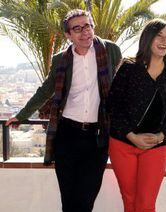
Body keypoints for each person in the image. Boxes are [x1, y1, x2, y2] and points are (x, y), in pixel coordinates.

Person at [5, 9, 122, 212]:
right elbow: (46, 90)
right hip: (67, 135)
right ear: (68, 35)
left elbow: (122, 86)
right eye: (77, 28)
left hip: (97, 137)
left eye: (88, 25)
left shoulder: (110, 51)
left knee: (85, 200)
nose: (85, 32)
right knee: (68, 201)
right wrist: (21, 115)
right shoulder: (61, 59)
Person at [107, 19, 166, 212]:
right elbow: (112, 106)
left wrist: (161, 136)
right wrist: (131, 135)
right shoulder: (129, 67)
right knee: (129, 200)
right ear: (148, 38)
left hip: (156, 147)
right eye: (159, 35)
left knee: (146, 203)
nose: (164, 41)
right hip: (123, 144)